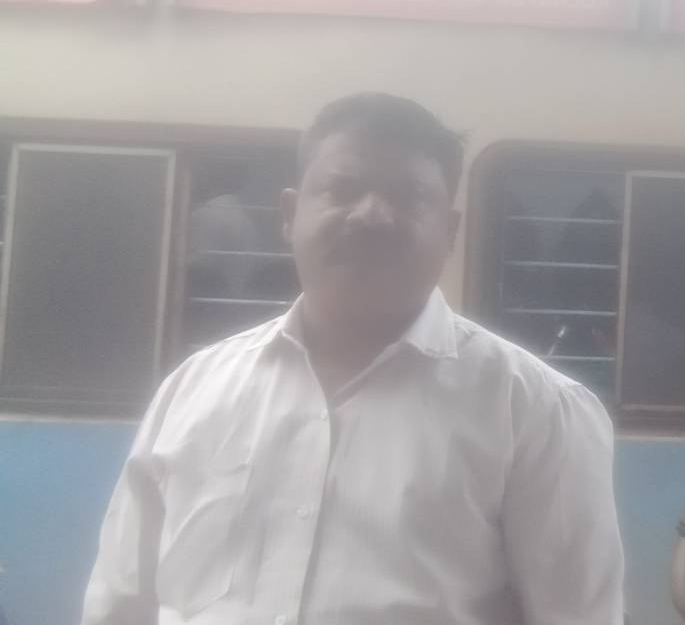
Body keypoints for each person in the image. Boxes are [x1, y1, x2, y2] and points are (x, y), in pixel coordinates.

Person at [83, 93, 624, 624]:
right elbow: (121, 603)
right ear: (289, 214)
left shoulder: (534, 409)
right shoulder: (192, 390)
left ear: (449, 232)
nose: (372, 215)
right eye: (343, 189)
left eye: (409, 197)